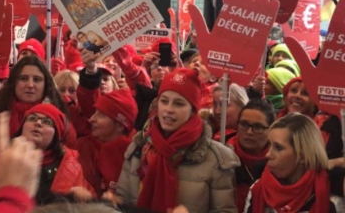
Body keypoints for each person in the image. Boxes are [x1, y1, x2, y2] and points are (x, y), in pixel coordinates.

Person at [117, 69, 240, 213]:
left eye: (178, 104)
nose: (168, 109)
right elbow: (121, 202)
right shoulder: (138, 146)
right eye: (164, 101)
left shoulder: (216, 158)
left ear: (193, 110)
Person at [0, 104, 96, 212]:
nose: (38, 123)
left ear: (56, 135)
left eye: (47, 122)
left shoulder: (72, 167)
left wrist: (84, 204)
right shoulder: (1, 160)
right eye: (32, 118)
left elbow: (91, 204)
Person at [244, 113, 336, 212]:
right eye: (269, 145)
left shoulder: (331, 196)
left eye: (278, 148)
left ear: (302, 156)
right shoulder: (257, 189)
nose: (268, 155)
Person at [76, 89, 138, 196]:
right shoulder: (83, 146)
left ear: (119, 125)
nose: (91, 119)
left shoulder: (137, 155)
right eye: (95, 112)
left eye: (101, 115)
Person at [227, 99, 275, 213]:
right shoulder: (220, 155)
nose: (249, 132)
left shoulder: (278, 162)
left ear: (271, 129)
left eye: (258, 127)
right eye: (244, 124)